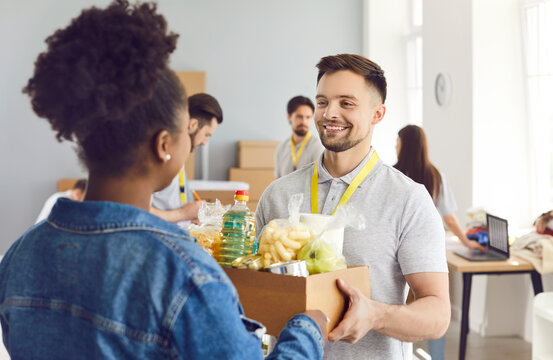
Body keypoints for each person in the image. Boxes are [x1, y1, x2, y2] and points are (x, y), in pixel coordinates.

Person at [0, 1, 328, 359]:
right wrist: (308, 329)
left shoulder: (20, 255)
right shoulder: (185, 274)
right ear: (163, 144)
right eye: (185, 132)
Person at [256, 54, 450, 359]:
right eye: (322, 102)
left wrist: (375, 315)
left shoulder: (408, 199)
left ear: (377, 114)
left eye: (346, 103)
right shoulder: (277, 195)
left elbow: (438, 314)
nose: (329, 113)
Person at [394, 125, 486, 252]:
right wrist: (467, 242)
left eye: (397, 143)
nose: (395, 147)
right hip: (427, 244)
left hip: (396, 242)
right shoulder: (435, 176)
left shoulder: (392, 175)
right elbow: (450, 219)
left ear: (405, 147)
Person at [151, 93, 222, 225]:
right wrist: (183, 214)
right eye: (206, 135)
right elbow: (139, 211)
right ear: (193, 124)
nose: (205, 142)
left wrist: (194, 213)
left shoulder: (180, 155)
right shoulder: (160, 153)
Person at [274, 96, 324, 178]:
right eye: (299, 117)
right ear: (289, 117)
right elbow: (277, 182)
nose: (304, 121)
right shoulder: (281, 149)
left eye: (308, 117)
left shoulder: (318, 147)